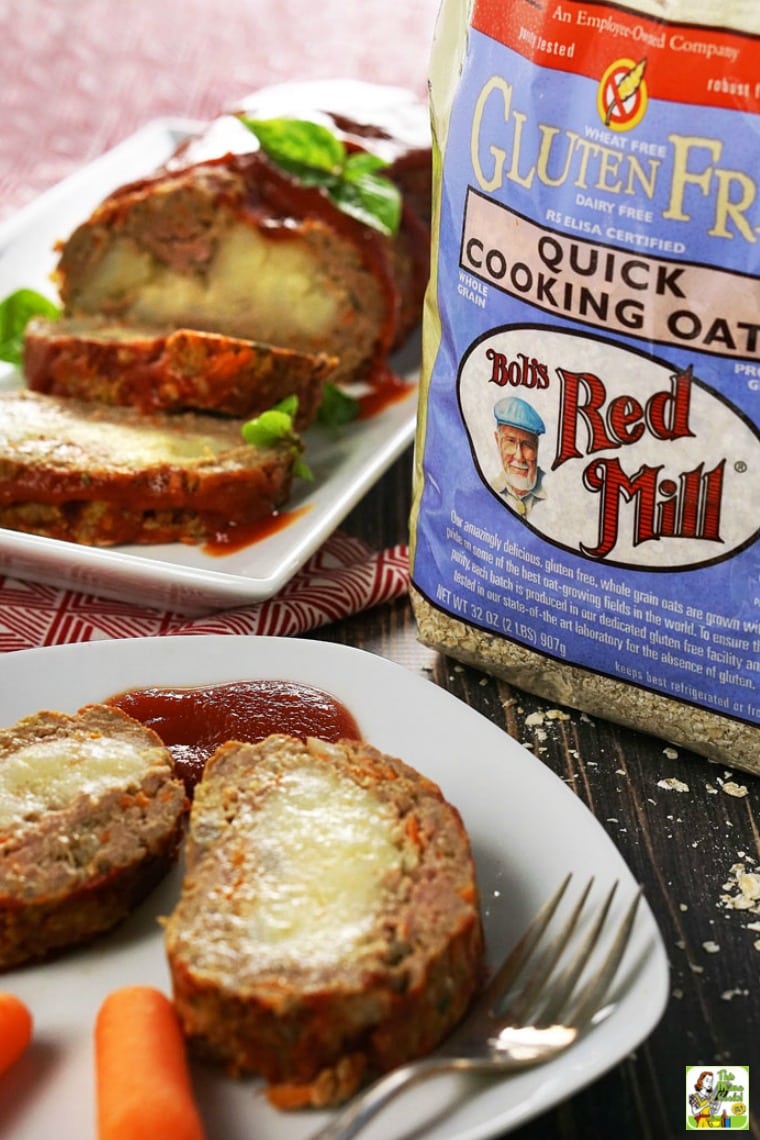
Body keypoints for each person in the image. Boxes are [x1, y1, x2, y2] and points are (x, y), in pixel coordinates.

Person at [490, 395, 547, 517]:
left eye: (527, 445)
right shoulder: (489, 490)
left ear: (537, 447)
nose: (519, 457)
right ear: (497, 440)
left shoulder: (552, 491)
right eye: (510, 441)